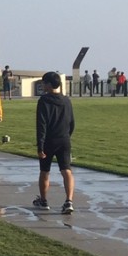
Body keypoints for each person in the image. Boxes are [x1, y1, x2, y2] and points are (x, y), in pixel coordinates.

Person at [34, 71, 75, 213]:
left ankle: (44, 200)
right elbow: (72, 122)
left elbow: (42, 124)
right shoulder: (66, 100)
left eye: (44, 83)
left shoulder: (44, 101)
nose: (43, 85)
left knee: (45, 171)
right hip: (64, 139)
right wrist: (67, 136)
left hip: (49, 140)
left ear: (49, 84)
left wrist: (40, 145)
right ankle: (69, 201)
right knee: (66, 170)